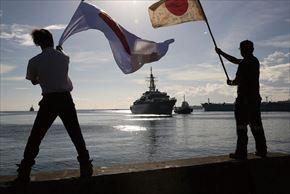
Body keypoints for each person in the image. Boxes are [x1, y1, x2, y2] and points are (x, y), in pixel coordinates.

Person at [15, 29, 93, 184]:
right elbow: (62, 62)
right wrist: (61, 51)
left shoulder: (34, 61)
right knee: (75, 134)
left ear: (37, 43)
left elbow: (33, 80)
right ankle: (86, 167)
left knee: (36, 137)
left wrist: (41, 77)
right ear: (51, 40)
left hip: (49, 101)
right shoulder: (64, 57)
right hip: (65, 99)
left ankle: (24, 172)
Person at [215, 40, 267, 160]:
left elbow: (238, 80)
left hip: (244, 100)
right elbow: (235, 60)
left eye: (241, 49)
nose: (241, 52)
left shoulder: (244, 63)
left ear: (244, 50)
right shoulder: (254, 61)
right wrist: (221, 53)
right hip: (254, 99)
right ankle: (262, 150)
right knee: (256, 125)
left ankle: (241, 152)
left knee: (241, 127)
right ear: (252, 49)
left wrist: (231, 82)